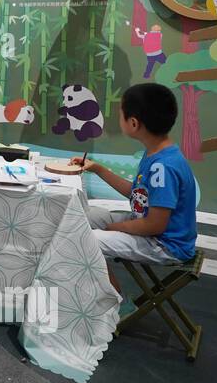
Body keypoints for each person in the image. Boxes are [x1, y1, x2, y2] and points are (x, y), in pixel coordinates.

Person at [71, 83, 198, 298]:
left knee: (83, 239)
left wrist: (116, 227)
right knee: (82, 216)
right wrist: (98, 169)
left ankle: (110, 299)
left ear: (133, 123)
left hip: (164, 244)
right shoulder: (157, 153)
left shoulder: (163, 167)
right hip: (153, 231)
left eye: (120, 114)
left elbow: (154, 225)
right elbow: (137, 194)